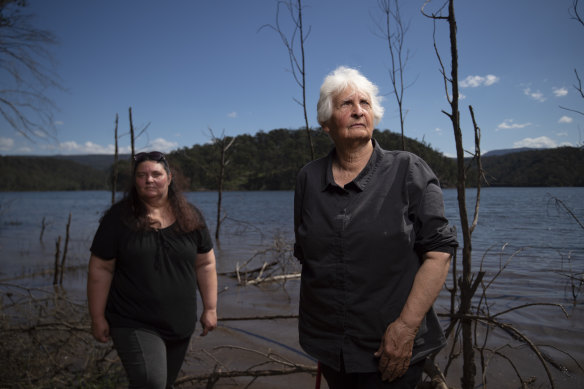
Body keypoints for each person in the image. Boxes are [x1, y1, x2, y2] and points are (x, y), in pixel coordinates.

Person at [294, 66, 458, 389]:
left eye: (365, 103)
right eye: (346, 104)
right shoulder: (308, 179)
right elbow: (307, 254)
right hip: (329, 349)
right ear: (326, 124)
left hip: (390, 351)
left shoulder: (408, 170)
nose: (358, 111)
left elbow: (439, 253)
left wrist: (406, 328)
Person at [87, 151, 218, 389]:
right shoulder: (118, 218)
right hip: (133, 320)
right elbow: (100, 269)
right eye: (142, 175)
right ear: (135, 181)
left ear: (169, 177)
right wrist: (97, 317)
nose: (149, 180)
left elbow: (205, 263)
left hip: (180, 323)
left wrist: (210, 308)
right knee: (151, 382)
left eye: (156, 174)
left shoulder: (190, 216)